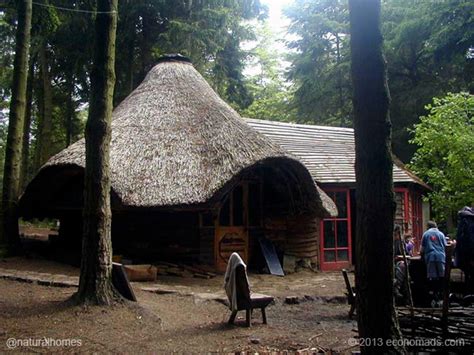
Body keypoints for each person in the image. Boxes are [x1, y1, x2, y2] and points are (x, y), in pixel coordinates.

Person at [421, 220, 447, 305]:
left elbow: (422, 249)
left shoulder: (426, 234)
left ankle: (434, 297)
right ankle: (442, 296)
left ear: (428, 226)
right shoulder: (441, 234)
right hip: (440, 257)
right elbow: (445, 246)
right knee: (442, 277)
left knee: (432, 277)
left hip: (430, 257)